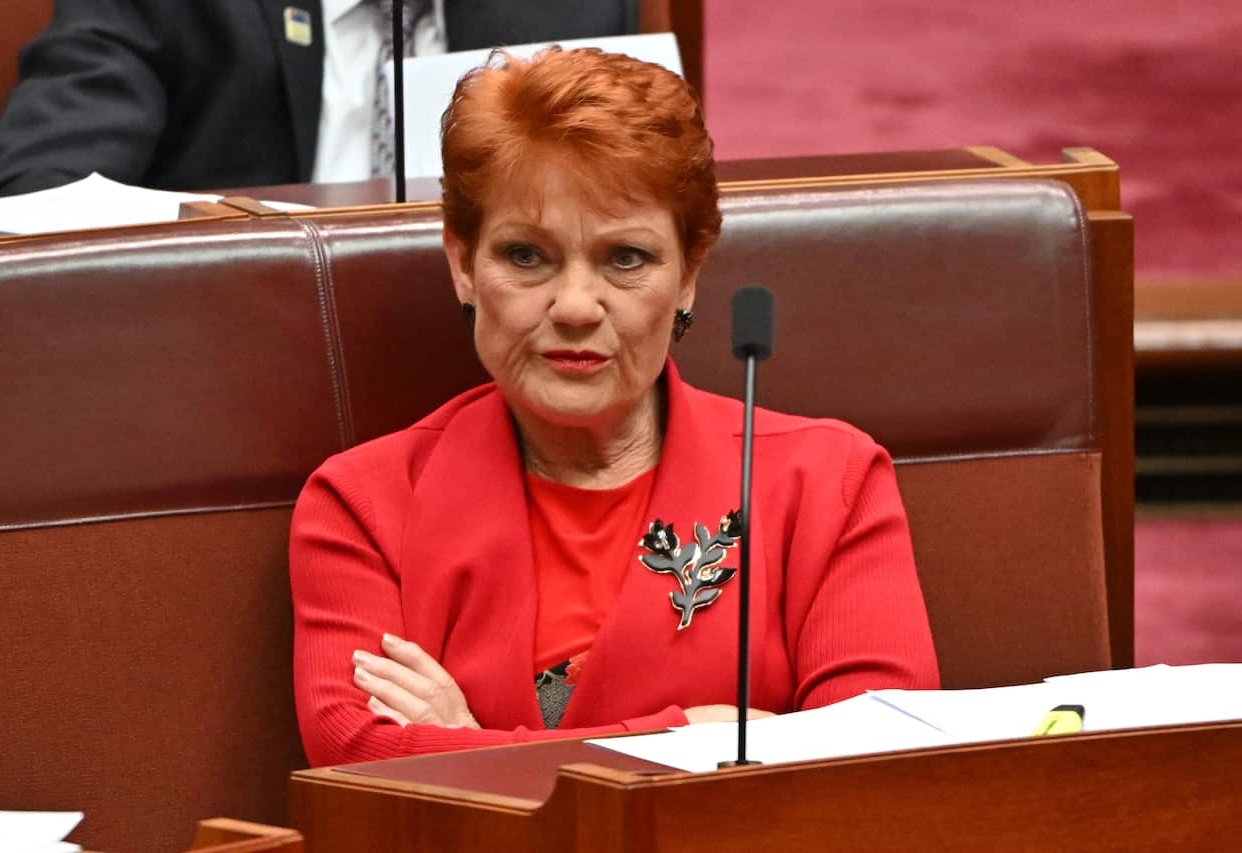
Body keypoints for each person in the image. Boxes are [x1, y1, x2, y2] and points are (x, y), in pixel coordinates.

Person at [289, 46, 940, 766]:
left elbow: (880, 759)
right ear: (462, 264)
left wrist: (472, 747)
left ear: (689, 275)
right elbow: (358, 761)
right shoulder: (362, 505)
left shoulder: (828, 484)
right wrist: (687, 741)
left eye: (624, 258)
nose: (573, 306)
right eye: (526, 256)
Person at [0, 0, 643, 199]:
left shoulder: (565, 9)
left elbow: (635, 209)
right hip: (224, 361)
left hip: (485, 374)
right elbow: (34, 194)